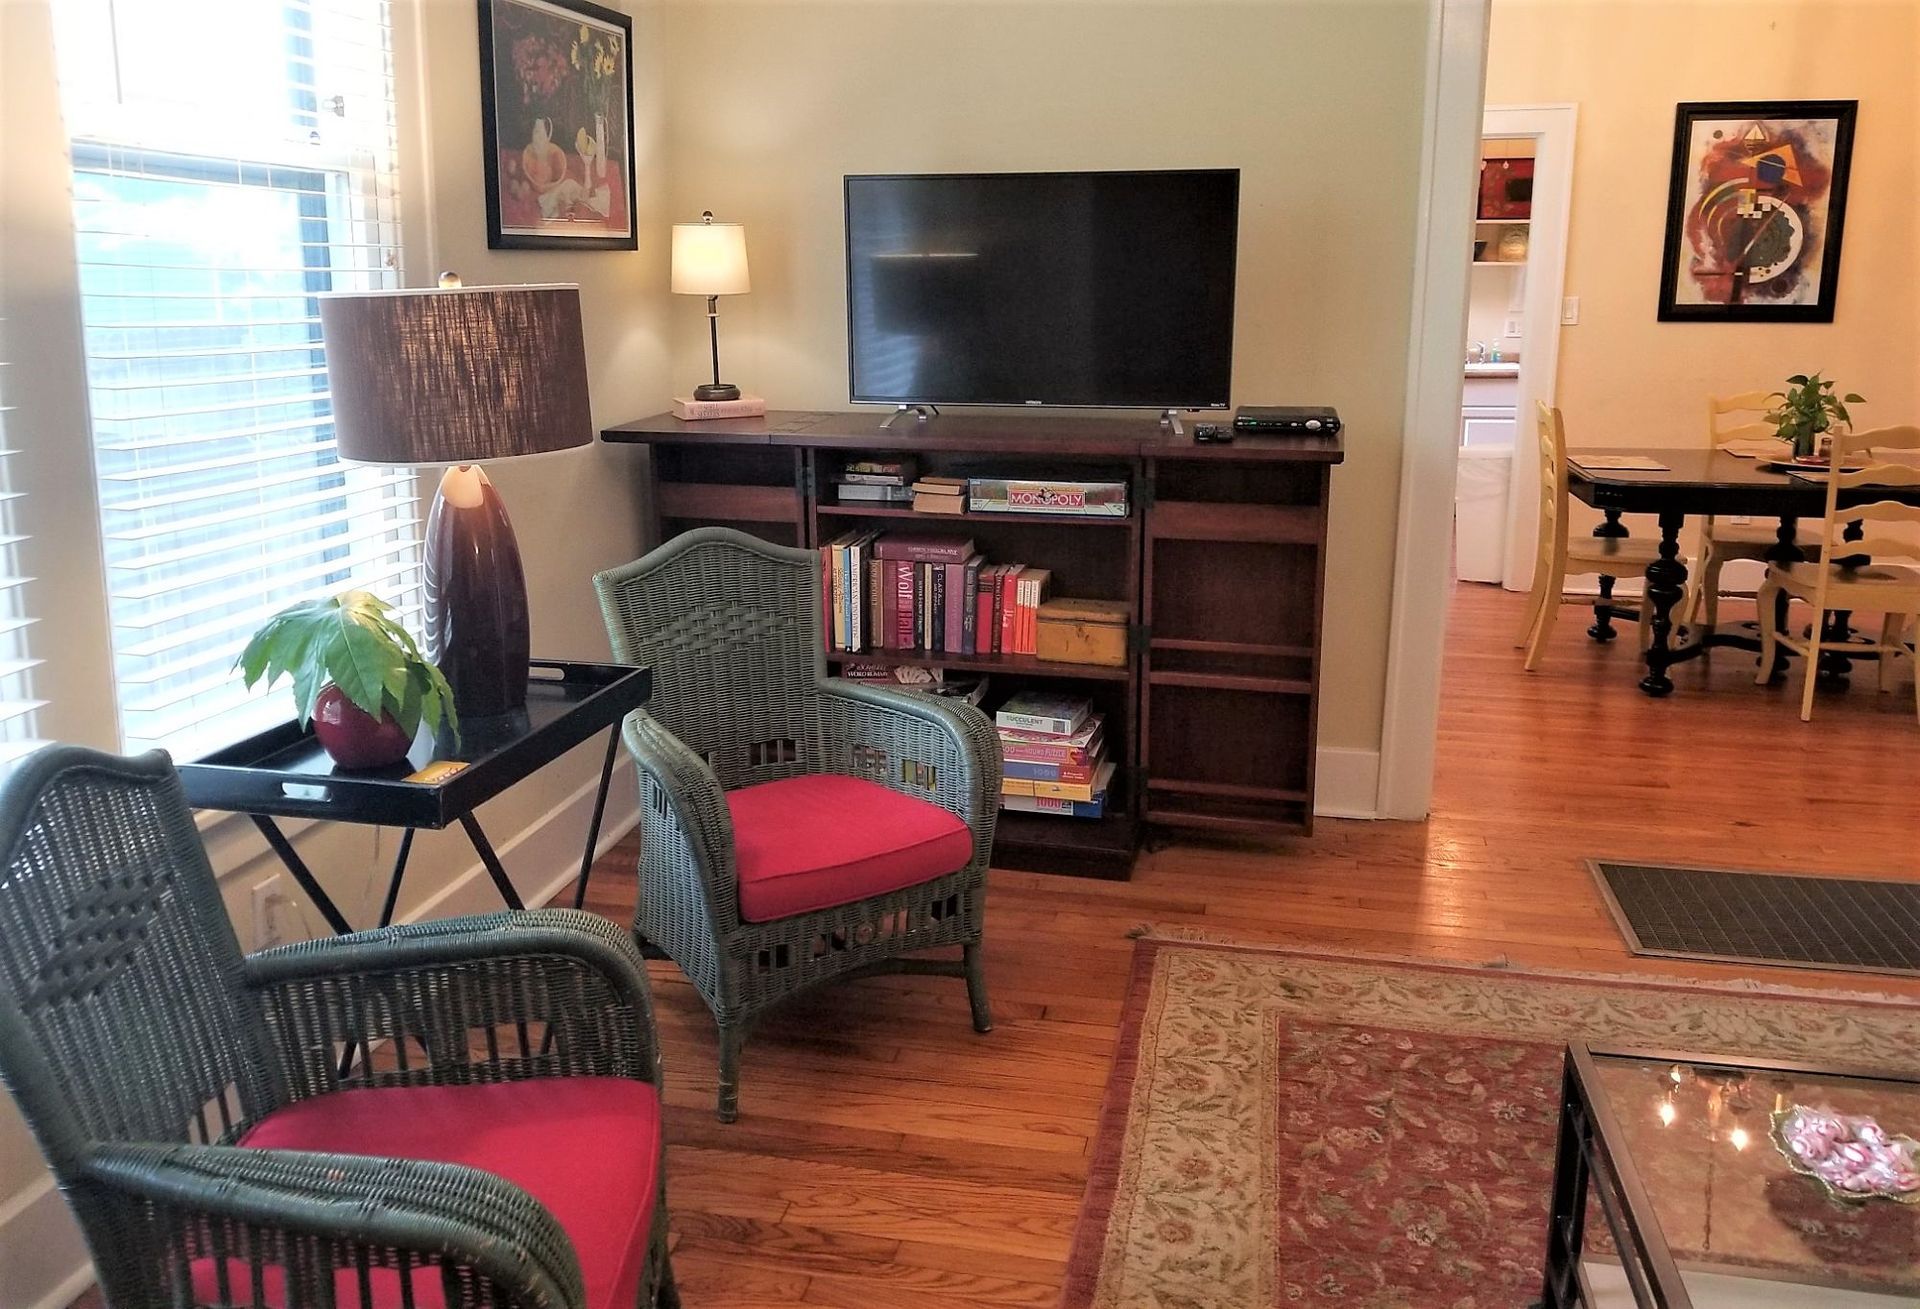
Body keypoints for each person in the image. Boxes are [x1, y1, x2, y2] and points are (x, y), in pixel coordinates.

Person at [522, 116, 585, 220]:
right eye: (535, 133)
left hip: (549, 189)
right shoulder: (529, 154)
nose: (537, 138)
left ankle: (548, 204)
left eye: (540, 134)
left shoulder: (554, 154)